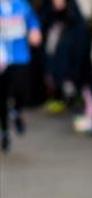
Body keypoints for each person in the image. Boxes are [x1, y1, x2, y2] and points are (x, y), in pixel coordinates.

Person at [0, 0, 42, 152]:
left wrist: (35, 30)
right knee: (2, 97)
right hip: (2, 59)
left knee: (21, 88)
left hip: (20, 55)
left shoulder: (21, 5)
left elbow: (32, 20)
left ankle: (17, 111)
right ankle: (4, 132)